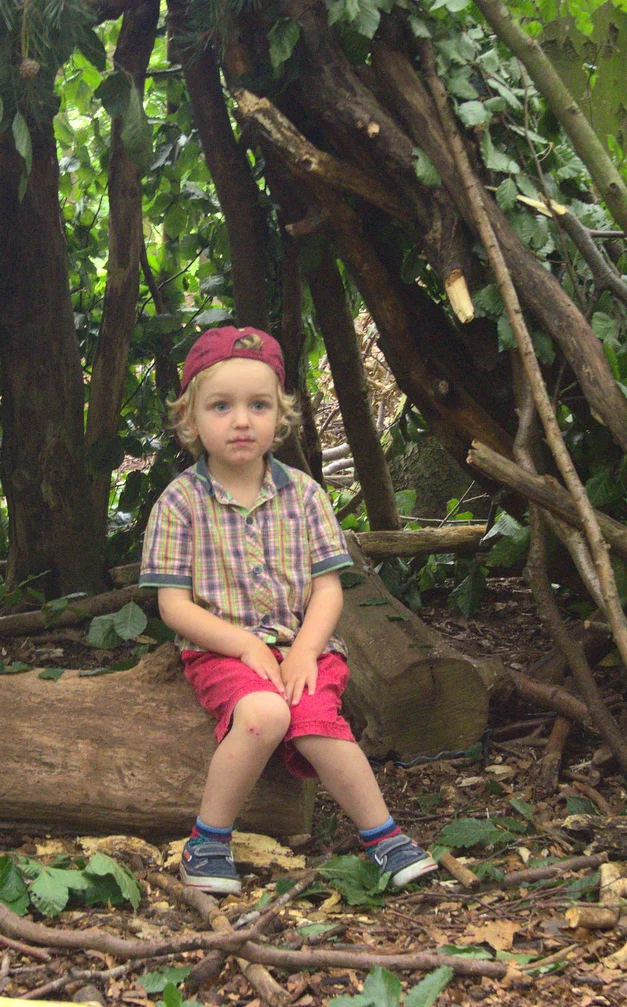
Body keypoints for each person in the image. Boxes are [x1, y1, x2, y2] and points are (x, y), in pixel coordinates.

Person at [139, 325, 439, 895]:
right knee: (265, 716)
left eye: (259, 405)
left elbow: (328, 589)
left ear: (282, 415)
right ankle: (207, 840)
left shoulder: (303, 494)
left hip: (303, 646)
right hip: (222, 649)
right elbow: (173, 606)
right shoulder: (180, 502)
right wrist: (248, 645)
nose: (242, 420)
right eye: (221, 406)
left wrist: (302, 650)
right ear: (190, 419)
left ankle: (384, 838)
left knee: (318, 722)